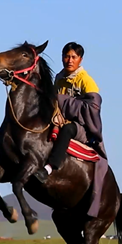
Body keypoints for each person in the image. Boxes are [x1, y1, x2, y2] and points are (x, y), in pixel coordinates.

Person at [34, 42, 105, 183]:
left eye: (74, 57)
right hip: (58, 121)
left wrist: (65, 102)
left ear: (80, 59)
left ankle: (50, 167)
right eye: (66, 56)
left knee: (68, 129)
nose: (70, 60)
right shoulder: (59, 79)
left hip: (81, 127)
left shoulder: (86, 81)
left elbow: (93, 107)